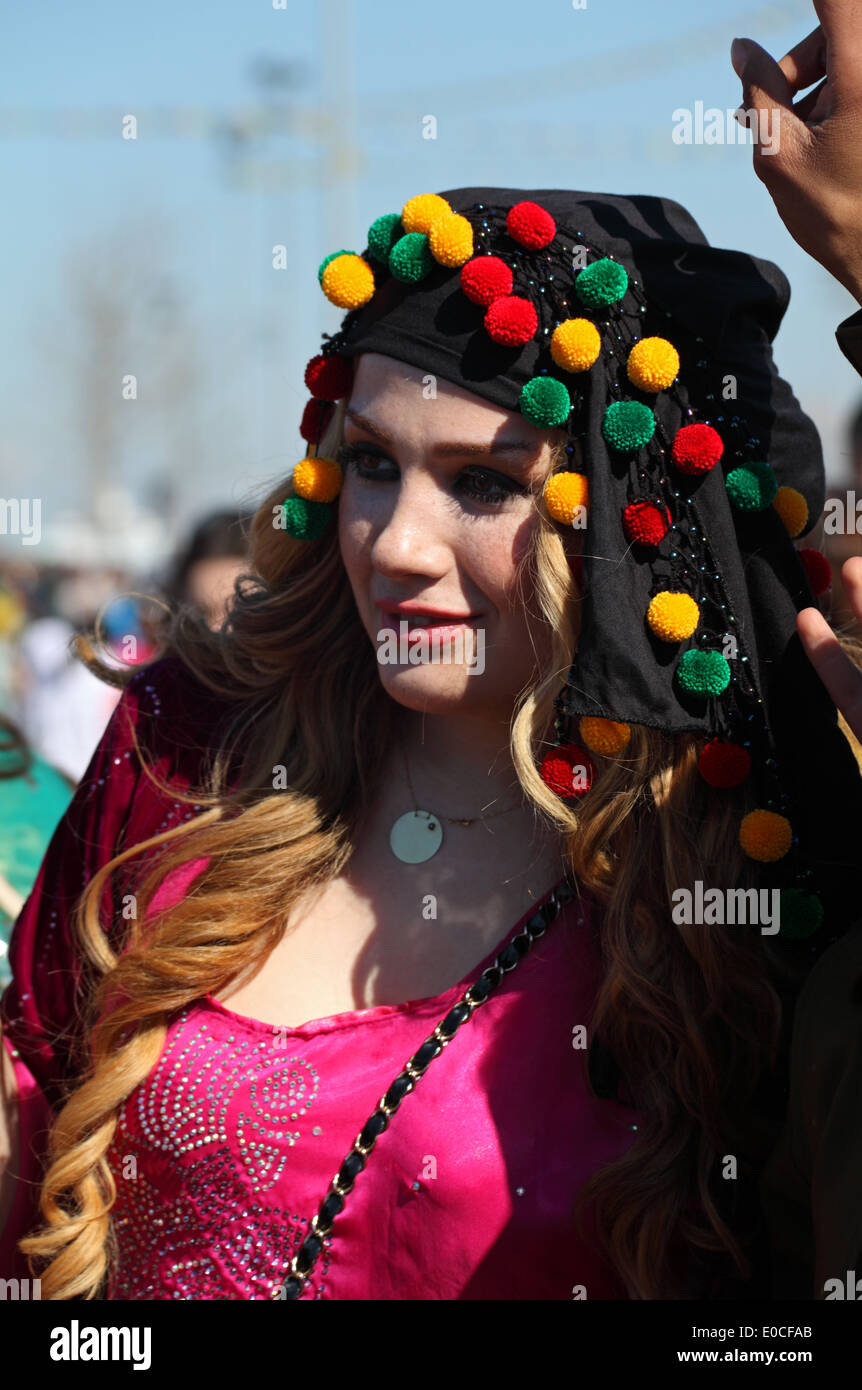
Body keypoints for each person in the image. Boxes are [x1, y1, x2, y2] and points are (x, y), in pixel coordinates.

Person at [4, 3, 862, 1304]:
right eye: (368, 466)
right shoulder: (196, 750)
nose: (393, 541)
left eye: (479, 482)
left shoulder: (746, 860)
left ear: (635, 534)